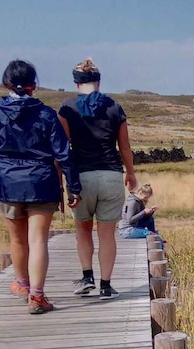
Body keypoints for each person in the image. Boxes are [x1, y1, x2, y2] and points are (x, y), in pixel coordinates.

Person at [0, 60, 81, 315]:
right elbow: (64, 154)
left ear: (6, 83)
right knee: (38, 240)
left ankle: (22, 285)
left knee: (17, 239)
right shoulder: (46, 114)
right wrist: (74, 187)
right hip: (41, 181)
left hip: (8, 182)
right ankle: (37, 296)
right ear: (35, 85)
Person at [58, 58, 137, 300]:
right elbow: (124, 147)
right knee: (107, 234)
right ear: (99, 82)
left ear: (75, 83)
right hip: (111, 175)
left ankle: (87, 277)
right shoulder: (114, 107)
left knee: (83, 231)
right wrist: (131, 173)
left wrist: (60, 180)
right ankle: (106, 285)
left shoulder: (67, 108)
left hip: (81, 177)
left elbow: (62, 149)